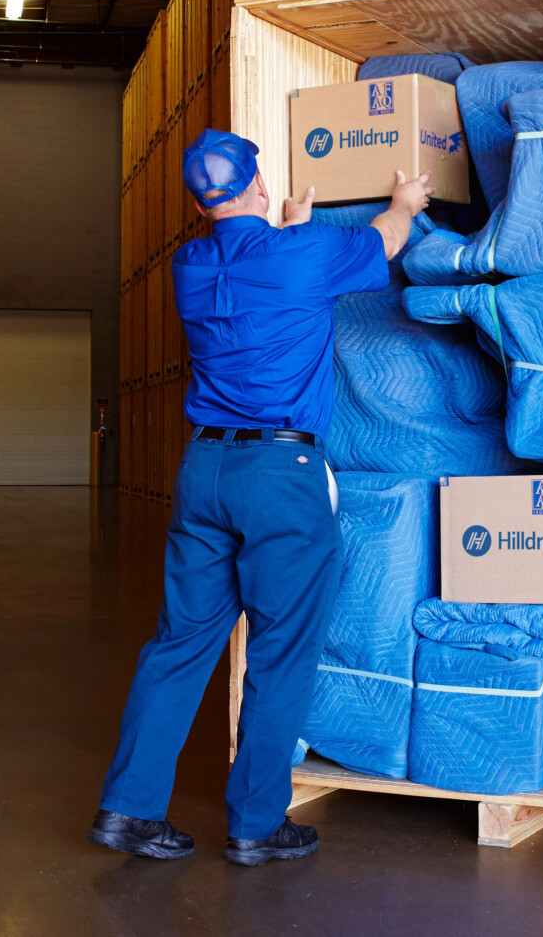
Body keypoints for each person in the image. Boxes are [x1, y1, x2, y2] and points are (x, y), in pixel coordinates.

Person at [89, 128, 434, 866]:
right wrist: (405, 199)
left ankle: (128, 808)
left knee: (179, 642)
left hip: (205, 470)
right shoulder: (300, 254)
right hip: (281, 476)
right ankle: (254, 822)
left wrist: (284, 230)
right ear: (254, 184)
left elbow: (251, 273)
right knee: (280, 648)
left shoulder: (189, 264)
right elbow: (387, 238)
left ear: (198, 199)